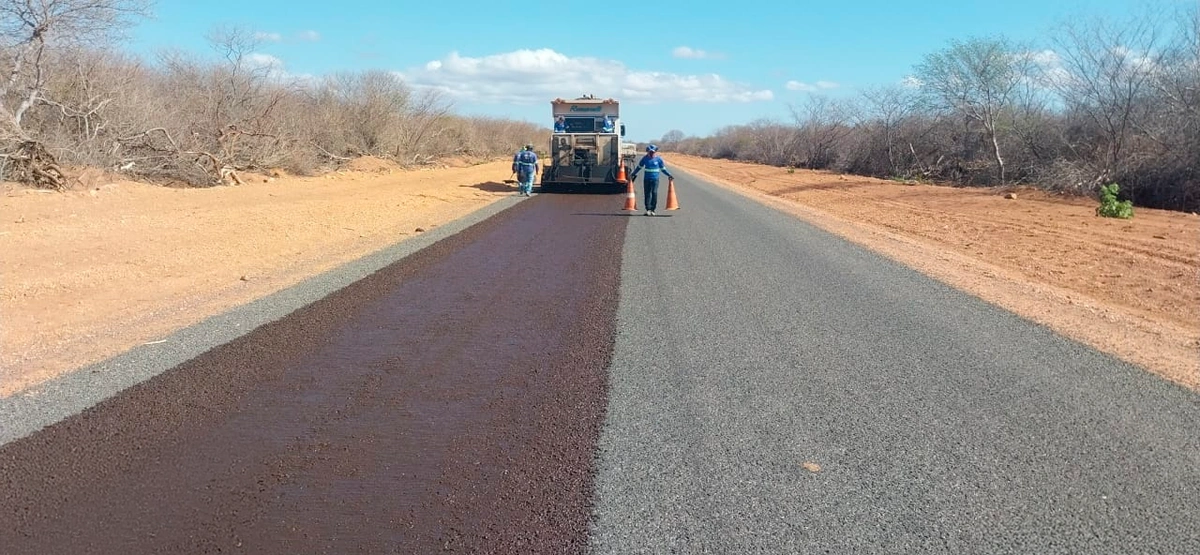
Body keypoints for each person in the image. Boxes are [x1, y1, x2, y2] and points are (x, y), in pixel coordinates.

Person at [629, 144, 673, 215]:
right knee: (647, 194)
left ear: (655, 152)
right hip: (646, 179)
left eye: (653, 152)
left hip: (655, 179)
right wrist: (633, 174)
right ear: (647, 152)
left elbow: (663, 169)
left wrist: (669, 175)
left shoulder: (659, 159)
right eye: (650, 152)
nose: (651, 153)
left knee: (654, 193)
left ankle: (653, 209)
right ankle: (648, 209)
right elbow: (639, 167)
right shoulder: (645, 158)